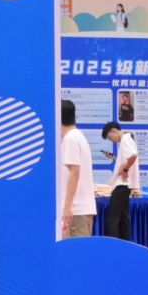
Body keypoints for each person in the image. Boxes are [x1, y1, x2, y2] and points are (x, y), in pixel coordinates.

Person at [58, 100, 96, 239]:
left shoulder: (71, 139)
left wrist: (67, 207)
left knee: (75, 251)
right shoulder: (76, 136)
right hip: (78, 210)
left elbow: (74, 173)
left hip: (76, 210)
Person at [101, 122, 134, 240]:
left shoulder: (125, 138)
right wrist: (116, 158)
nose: (112, 141)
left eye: (110, 138)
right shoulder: (125, 140)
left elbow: (133, 156)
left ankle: (113, 245)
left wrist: (125, 169)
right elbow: (128, 158)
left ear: (113, 131)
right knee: (124, 218)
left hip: (122, 185)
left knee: (112, 218)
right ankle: (125, 244)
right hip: (124, 185)